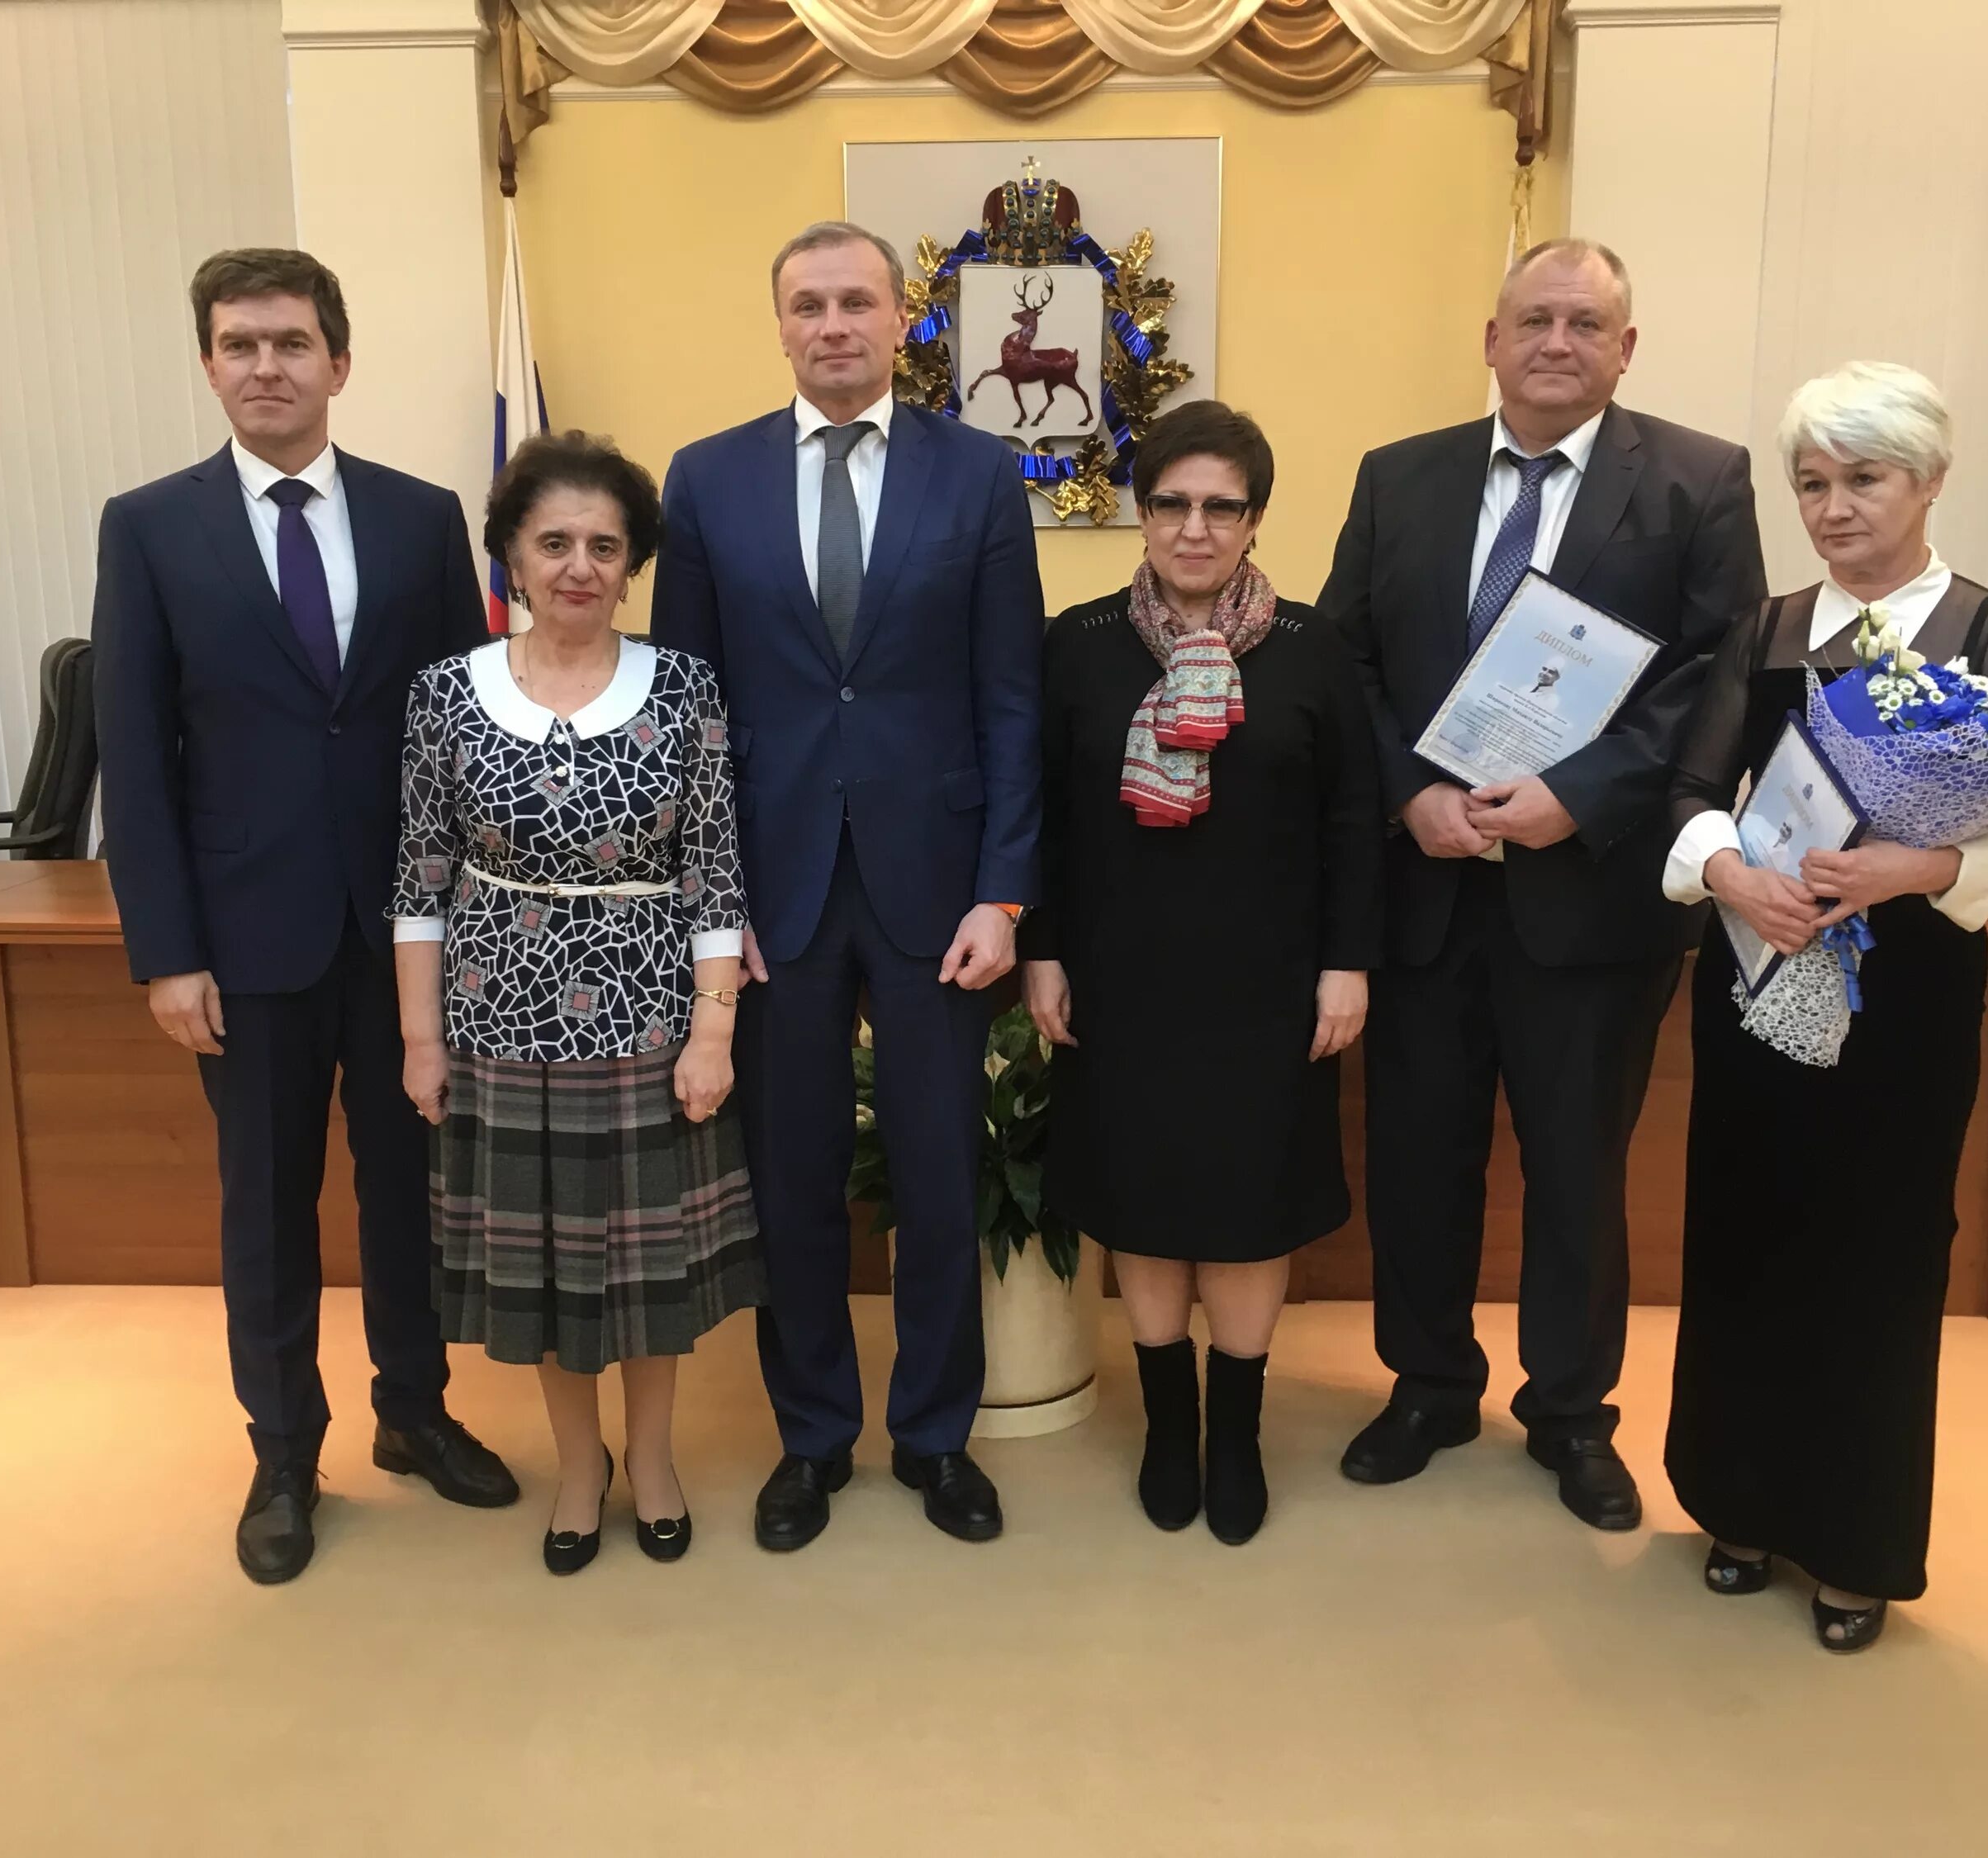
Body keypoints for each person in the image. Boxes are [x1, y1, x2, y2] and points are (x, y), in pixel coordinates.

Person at [1318, 238, 1767, 1530]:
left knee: (1577, 1168)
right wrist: (1412, 791)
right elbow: (1348, 661)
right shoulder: (1400, 477)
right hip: (1428, 886)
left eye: (1586, 323)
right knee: (1419, 1157)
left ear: (1626, 348)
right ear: (1492, 336)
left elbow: (1713, 673)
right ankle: (1429, 1383)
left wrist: (1585, 795)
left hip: (1593, 896)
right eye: (1534, 319)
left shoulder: (1696, 479)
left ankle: (1571, 1411)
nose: (1557, 342)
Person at [93, 248, 516, 1585]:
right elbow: (132, 747)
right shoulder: (149, 526)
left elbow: (464, 731)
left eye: (290, 342)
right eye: (239, 343)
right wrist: (166, 949)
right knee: (266, 1203)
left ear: (340, 360)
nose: (265, 365)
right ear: (208, 363)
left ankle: (415, 1410)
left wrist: (474, 923)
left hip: (405, 938)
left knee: (411, 1192)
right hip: (248, 938)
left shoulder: (418, 515)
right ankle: (284, 1449)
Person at [652, 221, 1045, 1552]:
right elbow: (688, 711)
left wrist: (1004, 890)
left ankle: (936, 1435)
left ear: (903, 321)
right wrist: (714, 903)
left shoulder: (980, 474)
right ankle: (812, 1437)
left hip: (937, 886)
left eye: (857, 301)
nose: (834, 324)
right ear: (780, 326)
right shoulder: (706, 480)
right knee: (793, 1178)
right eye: (808, 304)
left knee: (939, 1174)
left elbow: (1010, 695)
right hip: (771, 894)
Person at [1662, 362, 1988, 1652]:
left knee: (1876, 1260)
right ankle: (1736, 1504)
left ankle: (1852, 1542)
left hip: (1906, 1005)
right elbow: (1687, 781)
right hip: (1758, 976)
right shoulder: (1770, 624)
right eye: (1813, 483)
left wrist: (1920, 864)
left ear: (1929, 479)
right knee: (1745, 1235)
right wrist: (1730, 871)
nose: (1834, 508)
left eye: (1864, 480)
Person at [390, 433, 759, 1573]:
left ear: (633, 560)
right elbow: (420, 874)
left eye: (605, 544)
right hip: (497, 1020)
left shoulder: (685, 684)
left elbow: (714, 871)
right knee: (545, 1268)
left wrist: (714, 1030)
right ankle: (578, 1463)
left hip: (652, 1022)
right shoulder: (445, 692)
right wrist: (419, 1036)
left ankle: (650, 1458)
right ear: (510, 553)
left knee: (644, 1269)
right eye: (554, 541)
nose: (579, 565)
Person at [1019, 401, 1379, 1544]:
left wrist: (1346, 967)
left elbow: (1354, 823)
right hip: (1122, 977)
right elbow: (1045, 821)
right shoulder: (1075, 644)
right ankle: (1170, 1427)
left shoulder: (1317, 649)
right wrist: (1043, 953)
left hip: (1268, 983)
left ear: (1256, 518)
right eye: (1171, 501)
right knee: (1144, 1196)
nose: (1193, 526)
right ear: (1140, 509)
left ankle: (1238, 1431)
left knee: (1245, 1207)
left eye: (1221, 506)